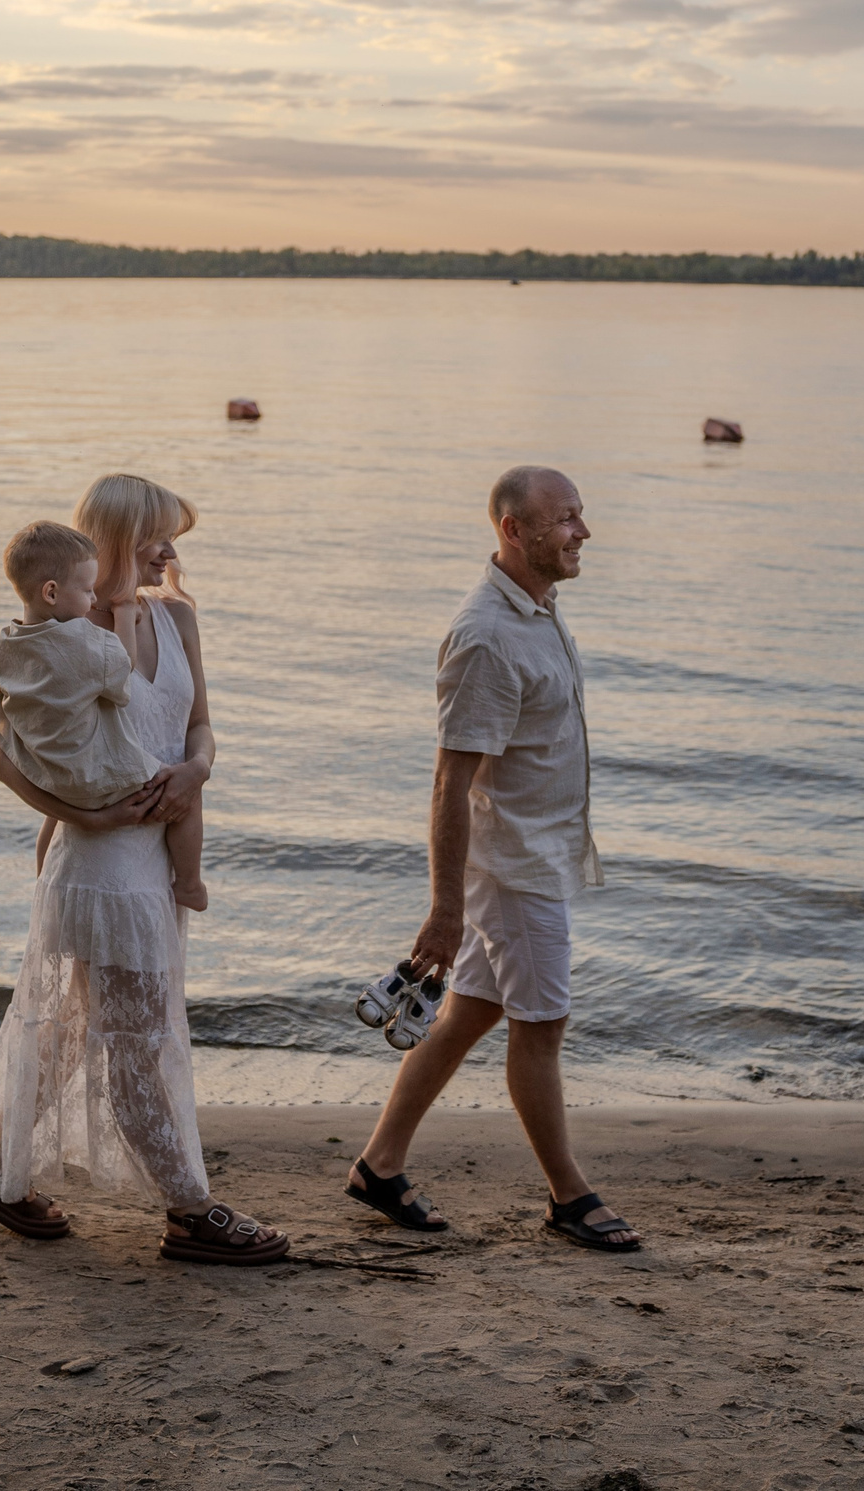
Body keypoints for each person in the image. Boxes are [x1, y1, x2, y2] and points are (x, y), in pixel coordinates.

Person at [0, 474, 287, 1266]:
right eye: (156, 536)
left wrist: (195, 772)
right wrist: (87, 816)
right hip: (98, 863)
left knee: (75, 1031)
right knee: (136, 1038)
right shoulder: (63, 632)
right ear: (112, 539)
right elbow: (8, 760)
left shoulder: (176, 618)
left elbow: (198, 727)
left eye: (176, 537)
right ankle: (190, 1209)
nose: (171, 551)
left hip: (156, 864)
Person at [347, 465, 640, 1252]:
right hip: (514, 870)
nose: (583, 531)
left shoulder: (539, 608)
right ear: (514, 529)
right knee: (542, 1025)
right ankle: (570, 1197)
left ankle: (379, 1164)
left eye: (581, 515)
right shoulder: (486, 636)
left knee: (473, 1009)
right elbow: (451, 780)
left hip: (534, 854)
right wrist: (444, 908)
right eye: (565, 519)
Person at [0, 520, 206, 914]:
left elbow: (8, 716)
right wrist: (124, 615)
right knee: (184, 793)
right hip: (103, 825)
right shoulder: (84, 639)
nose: (171, 552)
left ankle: (43, 890)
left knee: (186, 778)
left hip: (62, 780)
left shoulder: (10, 643)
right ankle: (190, 882)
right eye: (158, 538)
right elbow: (123, 670)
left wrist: (200, 764)